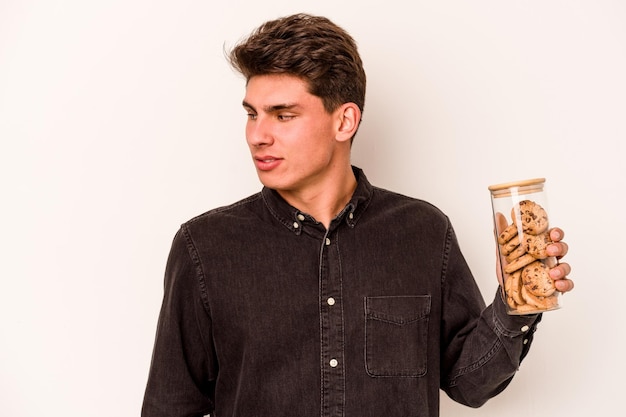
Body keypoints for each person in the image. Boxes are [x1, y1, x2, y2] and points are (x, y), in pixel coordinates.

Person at [141, 13, 574, 417]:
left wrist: (515, 304)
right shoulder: (205, 247)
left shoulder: (423, 232)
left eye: (283, 115)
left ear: (344, 121)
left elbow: (469, 384)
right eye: (252, 114)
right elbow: (170, 407)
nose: (258, 135)